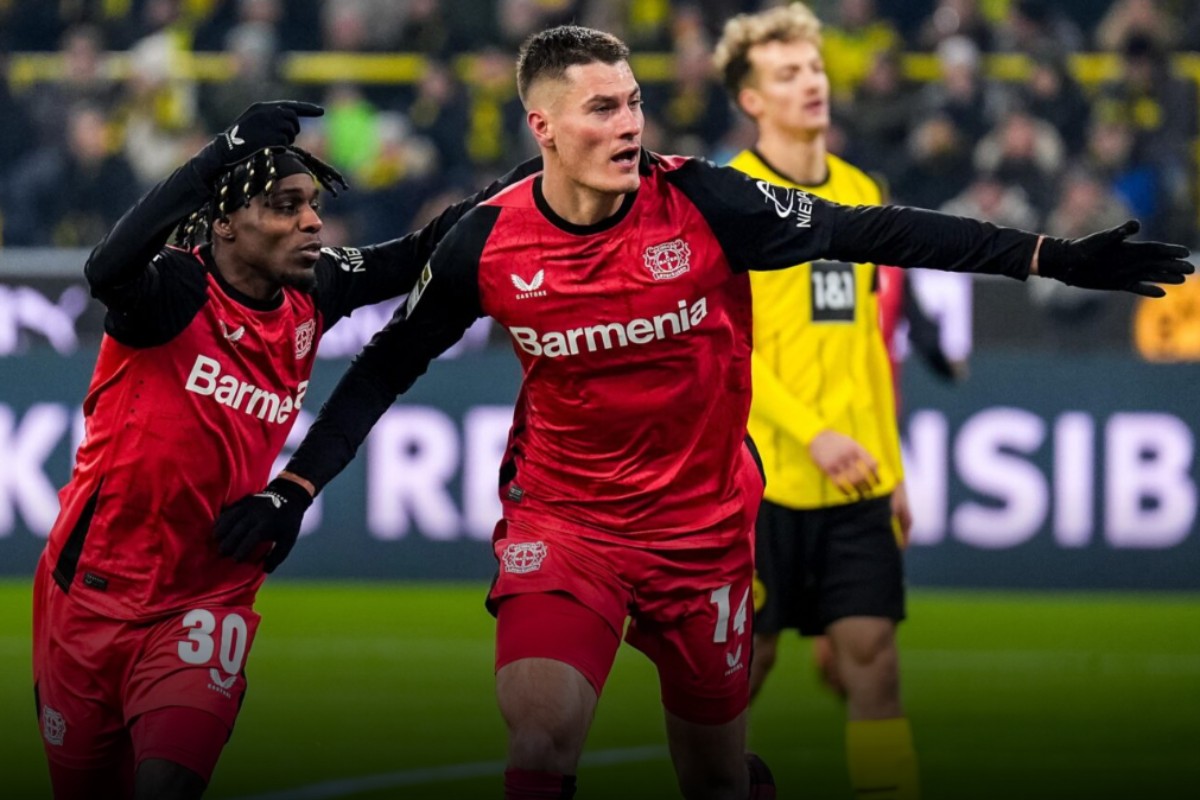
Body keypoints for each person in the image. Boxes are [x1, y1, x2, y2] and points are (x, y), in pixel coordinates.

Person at [213, 26, 1190, 800]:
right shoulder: (487, 242)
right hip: (566, 523)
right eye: (603, 108)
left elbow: (874, 230)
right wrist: (297, 486)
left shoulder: (708, 203)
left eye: (634, 101)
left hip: (705, 530)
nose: (629, 124)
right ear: (543, 126)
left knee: (716, 775)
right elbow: (389, 360)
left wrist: (1050, 256)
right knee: (541, 735)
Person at [31, 100, 536, 800]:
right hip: (88, 593)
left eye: (312, 205)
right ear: (225, 223)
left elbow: (426, 246)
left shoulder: (315, 289)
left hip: (208, 597)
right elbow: (105, 269)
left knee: (168, 785)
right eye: (284, 206)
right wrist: (220, 153)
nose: (312, 222)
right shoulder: (173, 292)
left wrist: (543, 171)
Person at [713, 5, 920, 796]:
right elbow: (728, 350)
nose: (812, 83)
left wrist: (892, 468)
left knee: (875, 667)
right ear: (752, 99)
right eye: (788, 73)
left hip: (856, 482)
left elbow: (870, 344)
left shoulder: (861, 190)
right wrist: (812, 434)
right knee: (743, 671)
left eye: (815, 68)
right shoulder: (729, 197)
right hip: (761, 483)